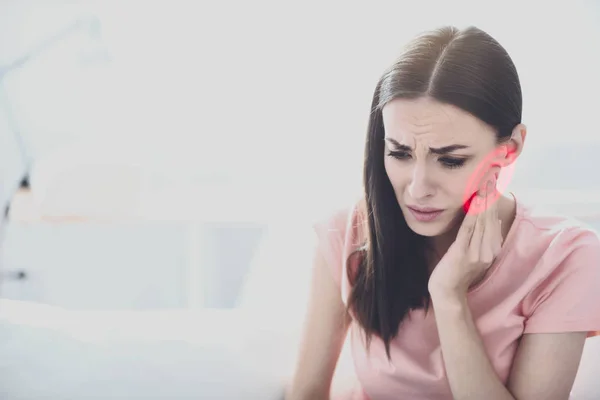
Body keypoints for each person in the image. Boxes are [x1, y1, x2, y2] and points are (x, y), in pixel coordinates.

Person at [286, 25, 600, 400]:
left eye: (450, 160)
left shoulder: (564, 256)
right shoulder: (348, 234)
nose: (417, 188)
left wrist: (449, 296)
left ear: (510, 148)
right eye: (400, 153)